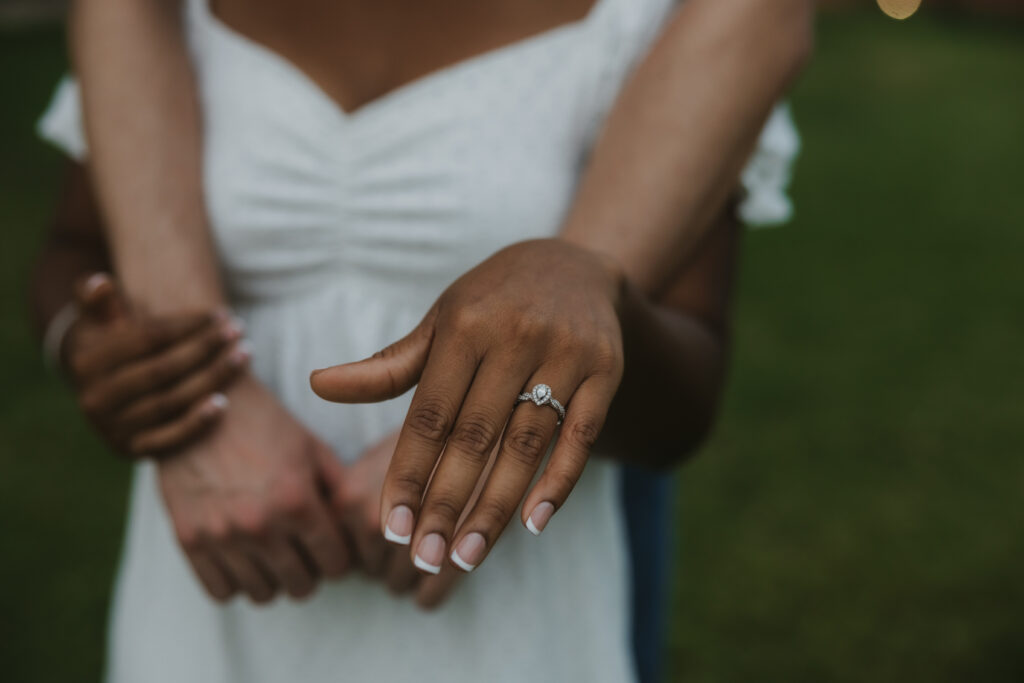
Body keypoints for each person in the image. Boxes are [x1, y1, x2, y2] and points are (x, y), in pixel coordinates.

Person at [35, 0, 812, 680]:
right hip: (209, 596)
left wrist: (580, 307)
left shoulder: (662, 21)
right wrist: (104, 356)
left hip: (512, 620)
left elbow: (686, 403)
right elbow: (73, 248)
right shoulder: (158, 17)